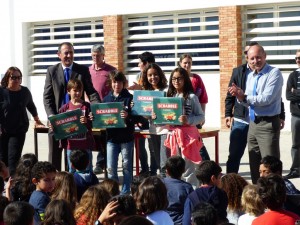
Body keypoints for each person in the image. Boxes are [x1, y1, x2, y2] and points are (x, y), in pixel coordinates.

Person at [225, 42, 286, 174]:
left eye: (258, 57)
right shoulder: (251, 75)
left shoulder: (274, 73)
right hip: (252, 123)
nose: (255, 61)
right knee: (255, 166)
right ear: (247, 59)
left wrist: (244, 97)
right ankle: (257, 193)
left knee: (270, 166)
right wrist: (239, 97)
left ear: (265, 56)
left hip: (268, 124)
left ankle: (274, 193)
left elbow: (266, 98)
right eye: (252, 58)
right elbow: (248, 101)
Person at [43, 42, 100, 171]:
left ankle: (77, 180)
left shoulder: (83, 70)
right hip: (58, 118)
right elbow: (47, 97)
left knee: (75, 154)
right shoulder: (51, 71)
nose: (69, 55)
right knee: (54, 153)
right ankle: (56, 181)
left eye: (71, 53)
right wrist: (52, 116)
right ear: (59, 55)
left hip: (77, 120)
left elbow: (91, 92)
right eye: (66, 53)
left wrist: (96, 110)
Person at [164, 67, 205, 187]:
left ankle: (191, 193)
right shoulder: (170, 96)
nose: (176, 81)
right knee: (175, 168)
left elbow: (201, 117)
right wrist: (157, 116)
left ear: (185, 80)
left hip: (188, 137)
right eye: (174, 78)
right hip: (174, 136)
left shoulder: (192, 97)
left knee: (188, 169)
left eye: (179, 78)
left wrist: (188, 120)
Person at [0, 66, 44, 176]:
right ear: (7, 78)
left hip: (19, 130)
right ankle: (3, 186)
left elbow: (31, 106)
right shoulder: (1, 92)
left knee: (13, 158)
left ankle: (13, 185)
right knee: (2, 159)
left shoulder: (24, 91)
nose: (17, 80)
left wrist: (37, 120)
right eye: (13, 77)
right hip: (3, 131)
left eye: (19, 77)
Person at [103, 70, 134, 194]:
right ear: (111, 83)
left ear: (124, 83)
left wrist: (128, 115)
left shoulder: (130, 98)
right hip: (111, 139)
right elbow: (101, 118)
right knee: (111, 168)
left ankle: (126, 192)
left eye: (120, 82)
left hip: (126, 138)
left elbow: (137, 117)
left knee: (127, 167)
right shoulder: (106, 100)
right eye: (115, 82)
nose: (117, 85)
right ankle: (113, 192)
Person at [89, 44, 116, 175]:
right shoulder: (88, 70)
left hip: (107, 108)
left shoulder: (111, 70)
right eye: (93, 55)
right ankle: (96, 162)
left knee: (106, 136)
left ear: (103, 55)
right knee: (95, 137)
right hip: (92, 108)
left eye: (98, 55)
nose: (95, 57)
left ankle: (102, 163)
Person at [58, 79, 94, 173]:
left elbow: (93, 124)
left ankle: (88, 187)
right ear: (68, 91)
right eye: (75, 90)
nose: (78, 93)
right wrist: (54, 126)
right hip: (71, 146)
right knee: (72, 171)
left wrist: (86, 121)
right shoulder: (64, 109)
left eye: (80, 90)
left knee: (87, 170)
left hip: (85, 145)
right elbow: (59, 128)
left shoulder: (87, 107)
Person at [178, 53, 210, 160]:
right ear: (180, 64)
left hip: (194, 117)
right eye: (185, 63)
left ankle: (207, 165)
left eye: (189, 63)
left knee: (197, 142)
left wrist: (202, 117)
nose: (187, 65)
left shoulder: (196, 79)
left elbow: (203, 98)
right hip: (180, 119)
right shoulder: (176, 78)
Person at [128, 51, 155, 176]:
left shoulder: (156, 75)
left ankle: (153, 170)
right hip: (140, 115)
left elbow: (157, 94)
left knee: (152, 145)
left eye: (140, 63)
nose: (139, 65)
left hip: (153, 116)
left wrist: (141, 89)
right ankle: (144, 169)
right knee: (139, 145)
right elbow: (138, 98)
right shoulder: (138, 76)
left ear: (147, 63)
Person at [141, 63, 169, 177]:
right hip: (153, 130)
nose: (153, 77)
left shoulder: (167, 90)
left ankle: (166, 189)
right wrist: (144, 112)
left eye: (155, 74)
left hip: (166, 130)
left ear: (160, 74)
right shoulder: (145, 93)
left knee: (164, 163)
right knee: (158, 162)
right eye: (150, 75)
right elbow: (145, 115)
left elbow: (171, 109)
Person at [182, 160, 228, 225]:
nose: (220, 180)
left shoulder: (192, 197)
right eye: (219, 177)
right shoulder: (222, 194)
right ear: (213, 178)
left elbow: (186, 222)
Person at [163, 155, 194, 224]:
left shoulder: (160, 184)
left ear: (167, 171)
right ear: (184, 170)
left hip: (162, 220)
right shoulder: (187, 187)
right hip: (180, 221)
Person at [285, 49, 300, 179]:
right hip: (296, 116)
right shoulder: (293, 76)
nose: (298, 60)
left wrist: (296, 91)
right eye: (296, 58)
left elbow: (293, 93)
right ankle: (296, 169)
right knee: (296, 144)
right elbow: (288, 95)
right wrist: (293, 92)